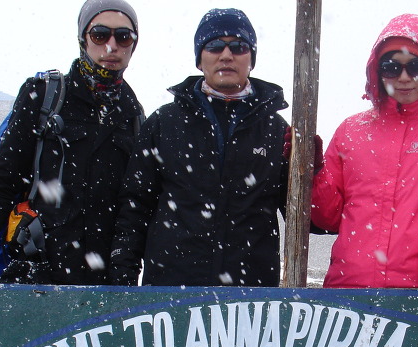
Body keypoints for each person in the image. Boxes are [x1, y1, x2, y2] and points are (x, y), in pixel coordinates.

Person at [0, 0, 145, 289]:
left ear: (133, 45)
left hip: (105, 283)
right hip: (34, 272)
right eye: (99, 34)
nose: (111, 46)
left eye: (123, 36)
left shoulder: (133, 116)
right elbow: (2, 181)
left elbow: (134, 206)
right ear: (83, 39)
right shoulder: (44, 95)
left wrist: (125, 272)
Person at [110, 8, 288, 287]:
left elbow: (311, 220)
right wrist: (123, 278)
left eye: (238, 46)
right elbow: (134, 207)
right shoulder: (163, 123)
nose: (226, 55)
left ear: (251, 59)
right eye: (214, 45)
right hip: (172, 292)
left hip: (250, 296)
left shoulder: (277, 131)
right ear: (199, 59)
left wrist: (311, 170)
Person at [310, 14, 418, 290]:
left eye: (416, 66)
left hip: (414, 292)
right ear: (377, 71)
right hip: (346, 288)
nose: (404, 78)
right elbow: (327, 218)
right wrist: (314, 173)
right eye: (391, 67)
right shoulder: (350, 130)